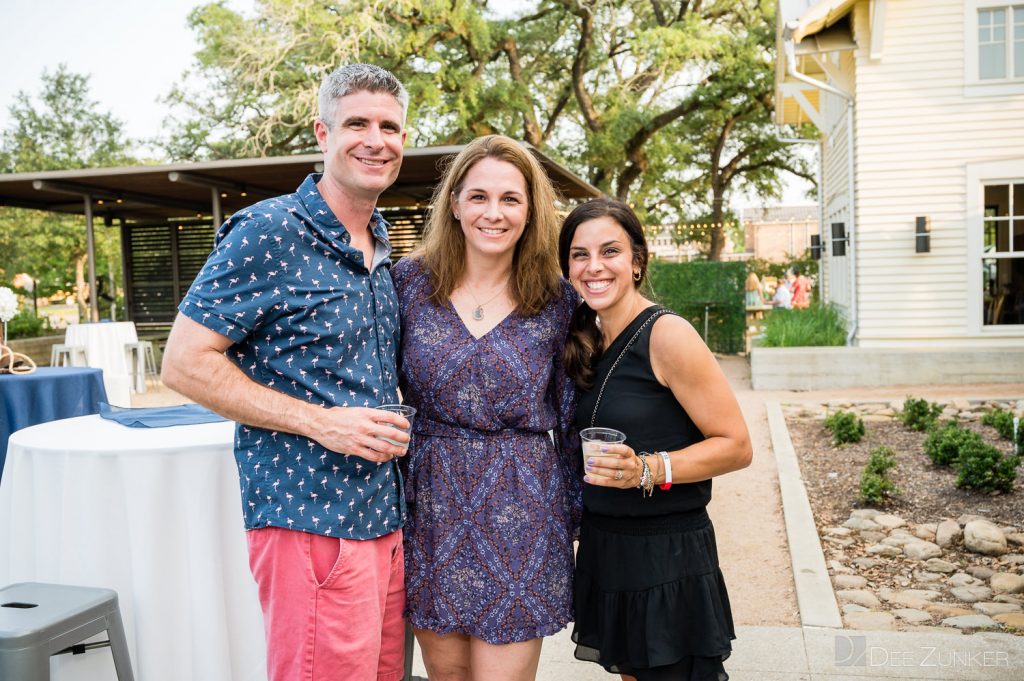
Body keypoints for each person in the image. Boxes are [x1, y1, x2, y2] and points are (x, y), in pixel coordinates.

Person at [161, 64, 412, 681]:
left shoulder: (379, 243)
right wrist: (321, 423)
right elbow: (184, 364)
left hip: (384, 516)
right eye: (357, 123)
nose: (375, 140)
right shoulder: (268, 231)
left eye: (390, 126)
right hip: (311, 517)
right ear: (323, 134)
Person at [391, 135, 581, 681]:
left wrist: (578, 517)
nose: (492, 213)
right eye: (478, 197)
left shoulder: (558, 299)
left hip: (522, 506)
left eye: (510, 199)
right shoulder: (406, 285)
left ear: (530, 211)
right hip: (430, 503)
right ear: (454, 204)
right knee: (446, 674)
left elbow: (572, 418)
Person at [558, 198, 752, 681]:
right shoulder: (588, 336)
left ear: (637, 262)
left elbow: (736, 444)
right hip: (608, 548)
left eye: (610, 251)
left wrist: (647, 468)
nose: (594, 266)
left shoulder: (668, 334)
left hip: (665, 553)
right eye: (580, 255)